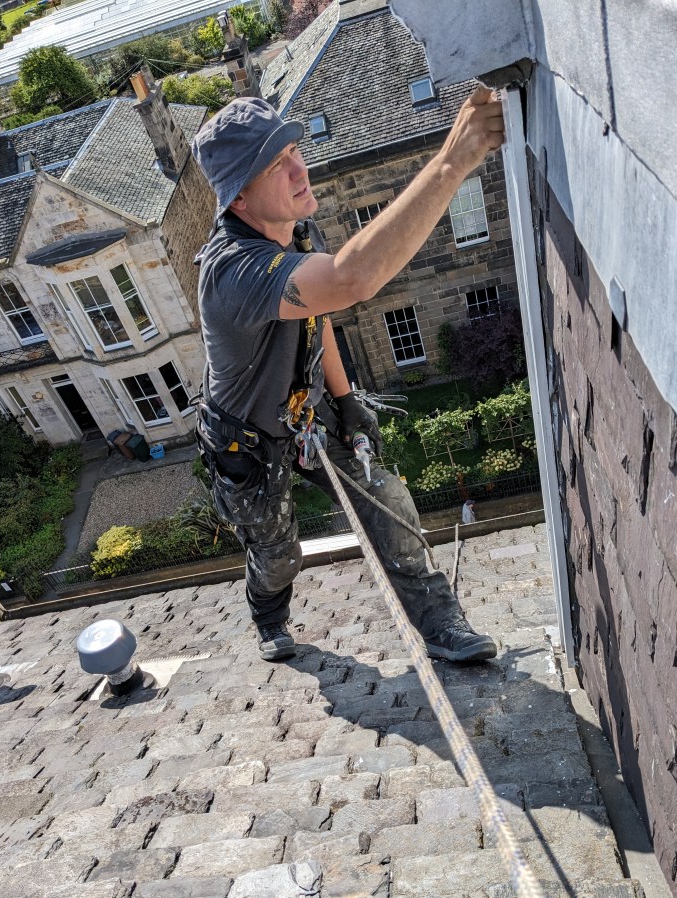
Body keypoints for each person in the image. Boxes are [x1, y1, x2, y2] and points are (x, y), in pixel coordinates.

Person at [192, 90, 504, 663]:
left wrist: (346, 397)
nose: (298, 169)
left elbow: (319, 316)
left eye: (293, 150)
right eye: (273, 165)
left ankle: (440, 624)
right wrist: (452, 160)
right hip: (250, 443)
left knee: (386, 497)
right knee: (280, 553)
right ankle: (269, 615)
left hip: (306, 413)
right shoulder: (231, 273)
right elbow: (350, 280)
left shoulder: (294, 232)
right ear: (237, 196)